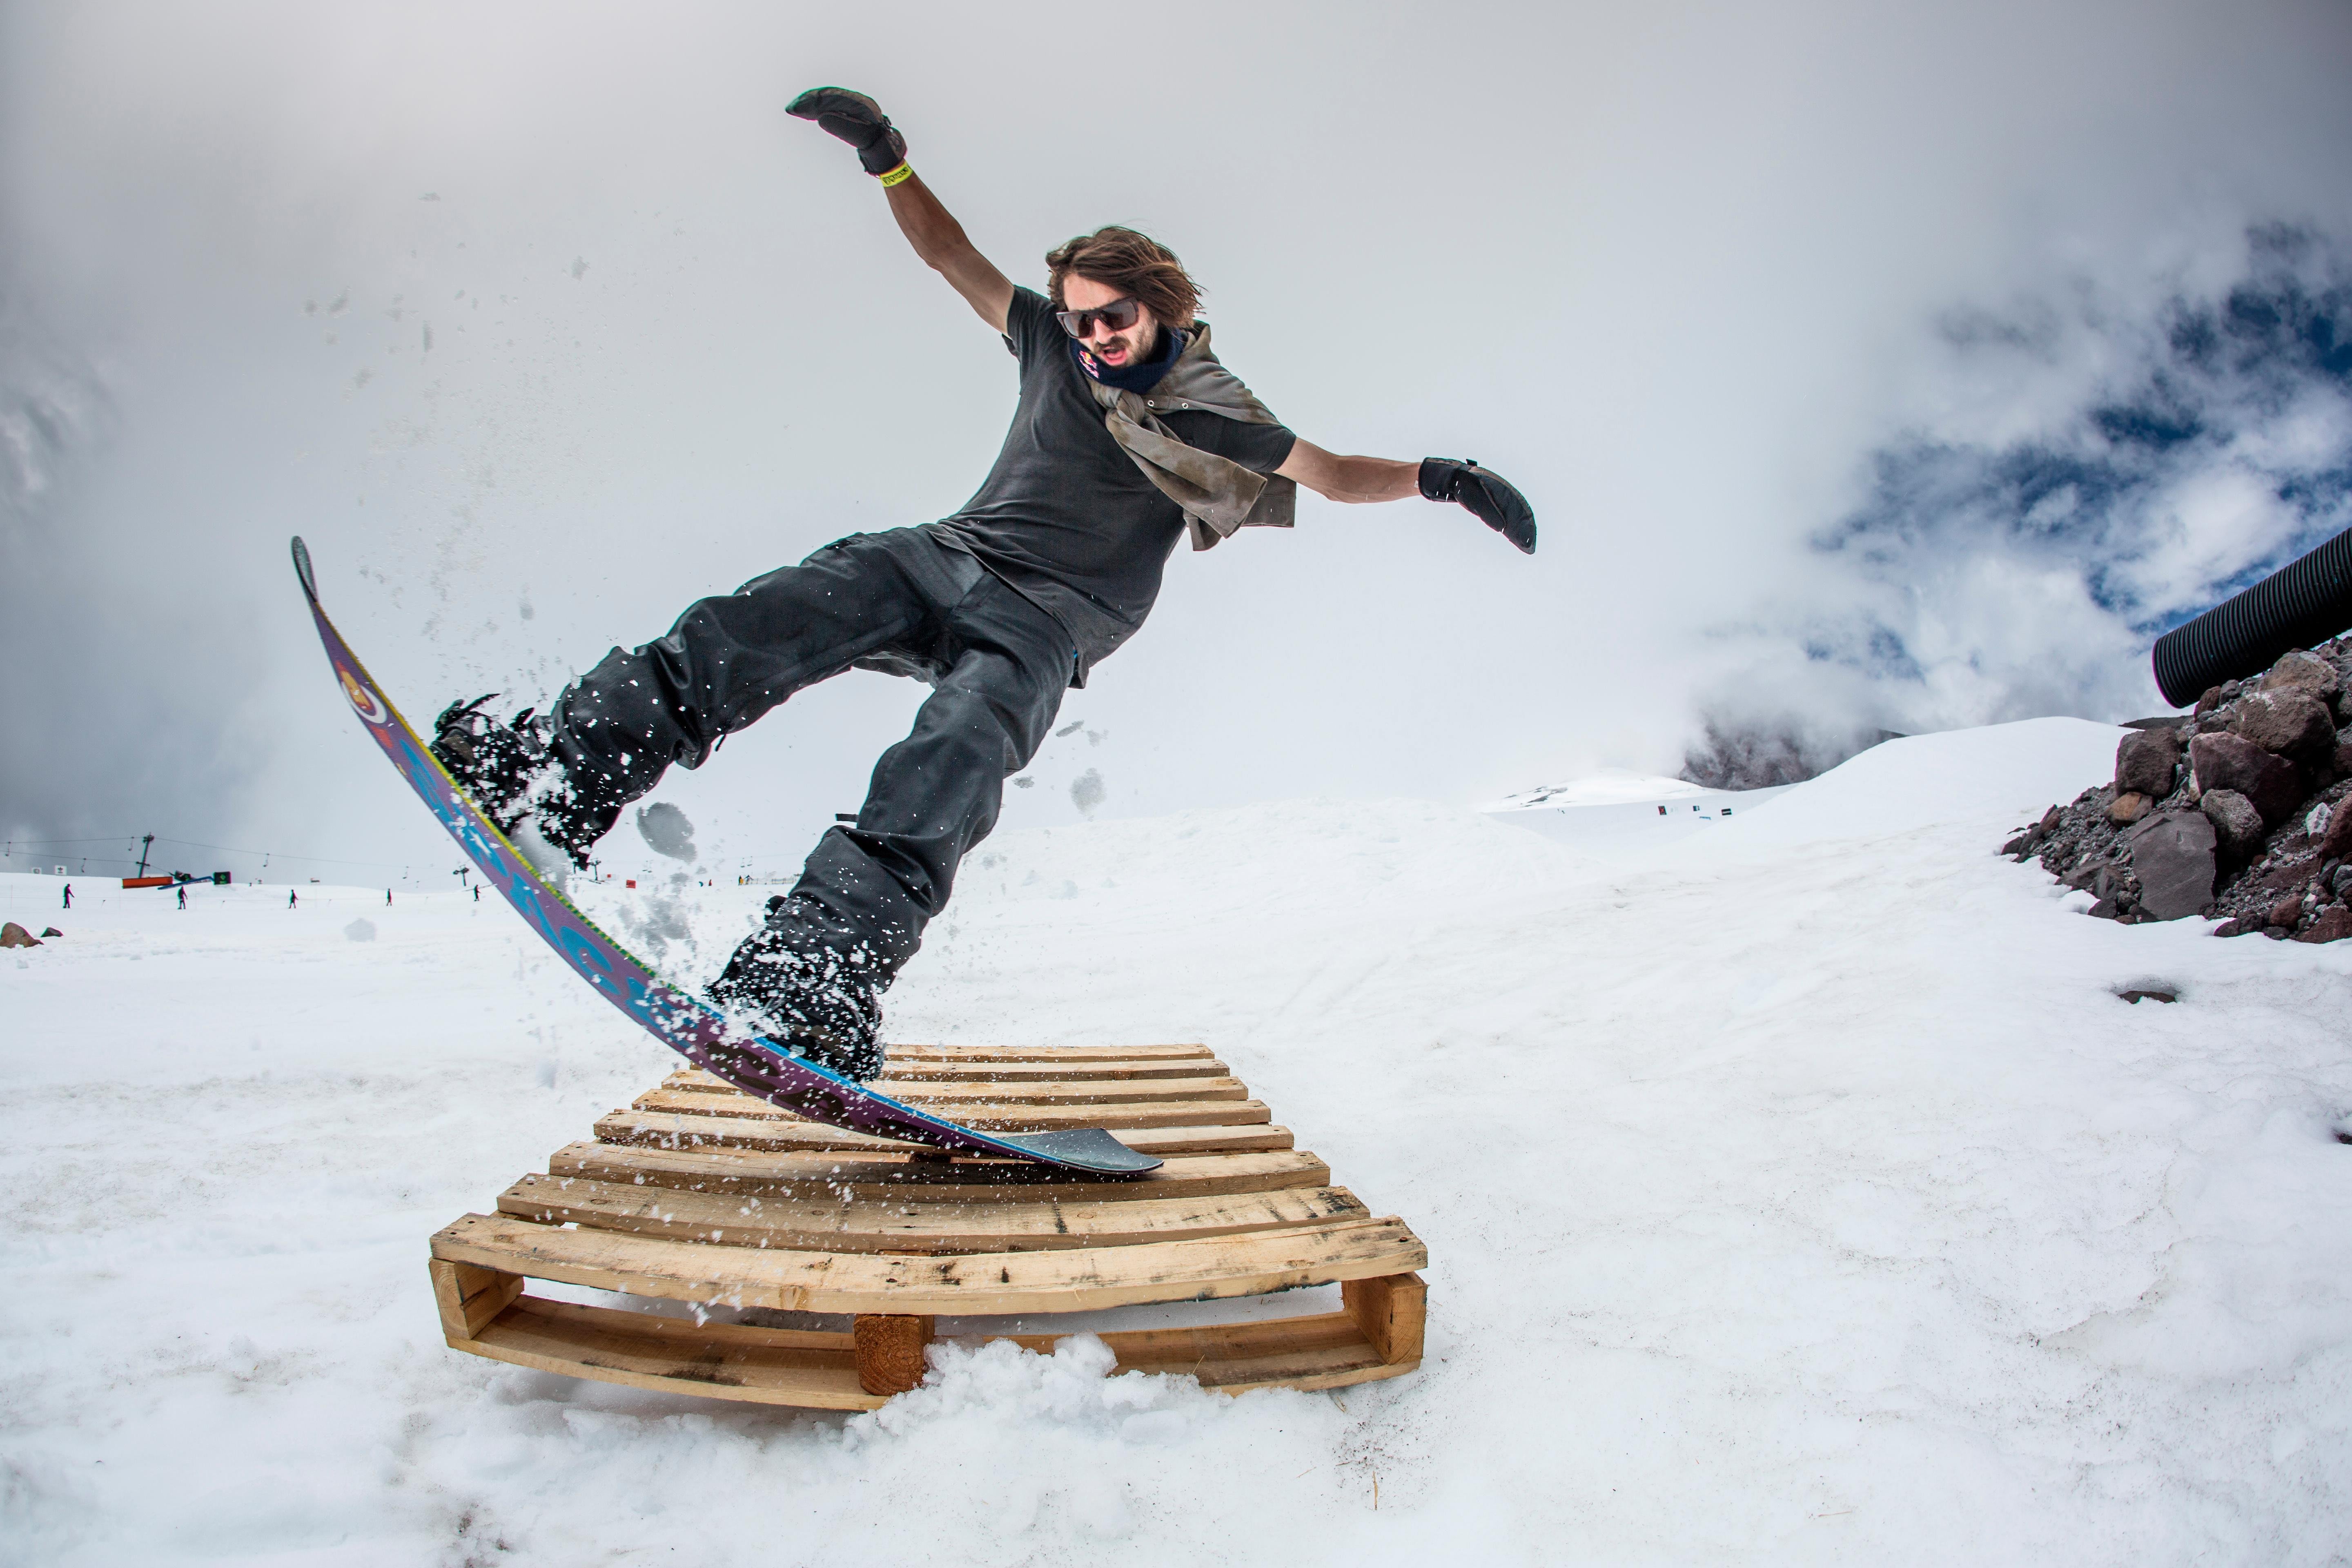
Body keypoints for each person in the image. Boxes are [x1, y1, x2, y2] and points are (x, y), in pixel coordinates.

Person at [430, 87, 1537, 1083]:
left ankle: (814, 973)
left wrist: (1442, 478)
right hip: (947, 557)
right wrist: (890, 162)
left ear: (1164, 311)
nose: (1093, 337)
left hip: (1052, 622)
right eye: (1078, 316)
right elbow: (949, 255)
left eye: (1114, 319)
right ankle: (556, 777)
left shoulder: (1220, 409)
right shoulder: (1051, 342)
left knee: (950, 756)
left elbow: (1334, 475)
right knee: (768, 616)